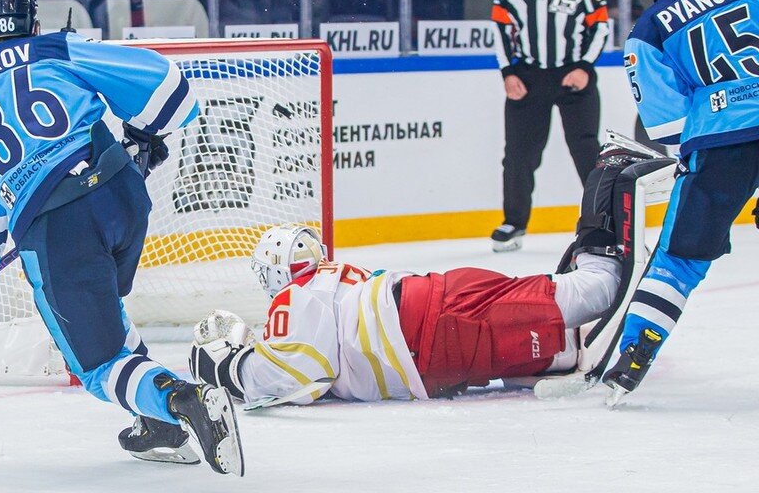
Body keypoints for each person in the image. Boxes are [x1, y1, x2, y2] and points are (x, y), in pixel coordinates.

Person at [0, 0, 243, 475]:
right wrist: (141, 137)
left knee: (100, 365)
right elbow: (168, 87)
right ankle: (158, 429)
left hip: (58, 228)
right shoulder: (56, 47)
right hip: (122, 197)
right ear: (34, 23)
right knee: (104, 310)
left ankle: (180, 401)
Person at [182, 142, 669, 408]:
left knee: (598, 290)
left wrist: (226, 368)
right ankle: (608, 204)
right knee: (559, 343)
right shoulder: (334, 278)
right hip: (440, 308)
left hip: (440, 330)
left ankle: (609, 174)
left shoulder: (296, 300)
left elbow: (294, 372)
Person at [604, 0, 759, 403]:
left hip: (721, 142)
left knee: (678, 262)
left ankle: (632, 360)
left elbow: (668, 127)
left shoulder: (648, 31)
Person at [490, 0, 609, 252]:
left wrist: (584, 66)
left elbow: (600, 25)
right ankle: (514, 222)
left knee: (586, 149)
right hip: (528, 76)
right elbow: (500, 30)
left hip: (573, 74)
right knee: (518, 154)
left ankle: (603, 221)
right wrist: (508, 72)